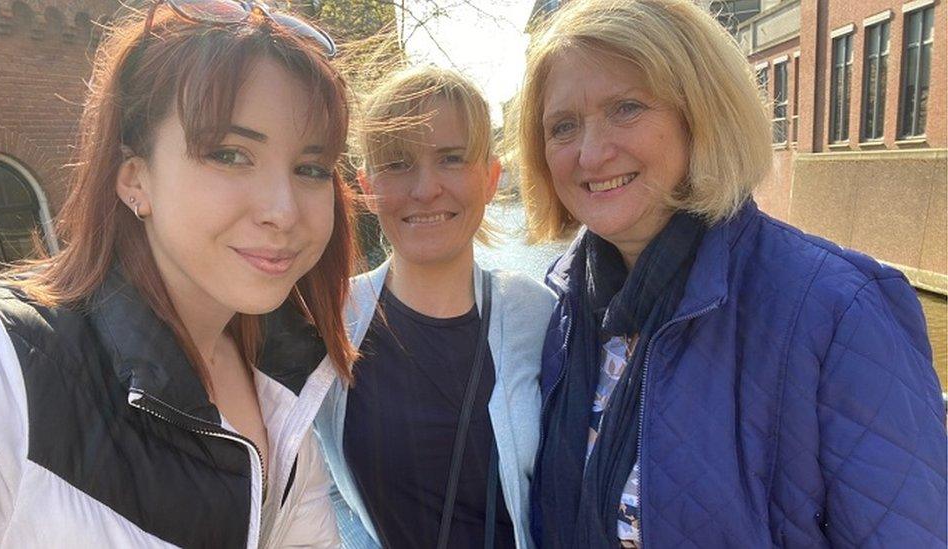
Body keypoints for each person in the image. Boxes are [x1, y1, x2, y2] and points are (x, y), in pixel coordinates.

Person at [513, 0, 947, 547]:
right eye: (564, 126)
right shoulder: (568, 312)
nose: (591, 152)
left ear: (701, 115)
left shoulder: (840, 312)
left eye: (626, 108)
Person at [0, 1, 357, 546]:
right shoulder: (1, 372)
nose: (284, 209)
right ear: (135, 178)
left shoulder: (283, 376)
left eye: (312, 168)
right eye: (229, 154)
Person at [315, 66, 555, 549]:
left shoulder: (539, 315)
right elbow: (318, 482)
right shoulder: (331, 321)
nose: (425, 189)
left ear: (490, 178)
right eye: (398, 163)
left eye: (451, 158)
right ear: (366, 185)